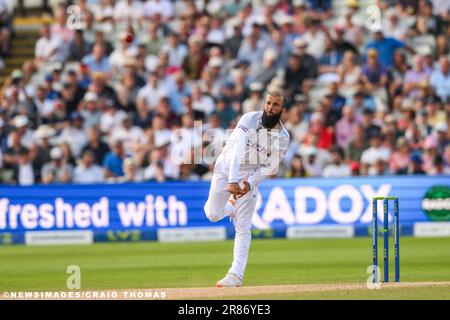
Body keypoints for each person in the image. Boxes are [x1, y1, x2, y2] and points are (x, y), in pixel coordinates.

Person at [204, 90, 290, 287]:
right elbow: (237, 151)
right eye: (268, 103)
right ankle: (231, 204)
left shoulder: (283, 137)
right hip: (226, 169)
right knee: (212, 214)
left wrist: (249, 184)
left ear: (282, 109)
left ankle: (235, 275)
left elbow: (270, 166)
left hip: (248, 179)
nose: (270, 108)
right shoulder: (249, 119)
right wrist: (233, 180)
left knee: (243, 227)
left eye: (275, 104)